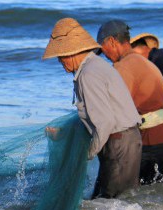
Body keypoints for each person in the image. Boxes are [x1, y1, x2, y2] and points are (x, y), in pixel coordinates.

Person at [43, 18, 142, 199]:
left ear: (71, 52)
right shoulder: (95, 66)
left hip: (119, 143)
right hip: (124, 140)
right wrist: (64, 133)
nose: (59, 61)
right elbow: (94, 117)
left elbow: (105, 122)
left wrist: (87, 154)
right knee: (114, 201)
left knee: (113, 204)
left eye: (60, 56)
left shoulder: (88, 74)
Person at [97, 20, 163, 185]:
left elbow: (114, 110)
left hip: (153, 143)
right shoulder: (146, 63)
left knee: (137, 199)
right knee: (162, 198)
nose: (105, 56)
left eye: (103, 49)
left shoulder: (123, 67)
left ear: (112, 42)